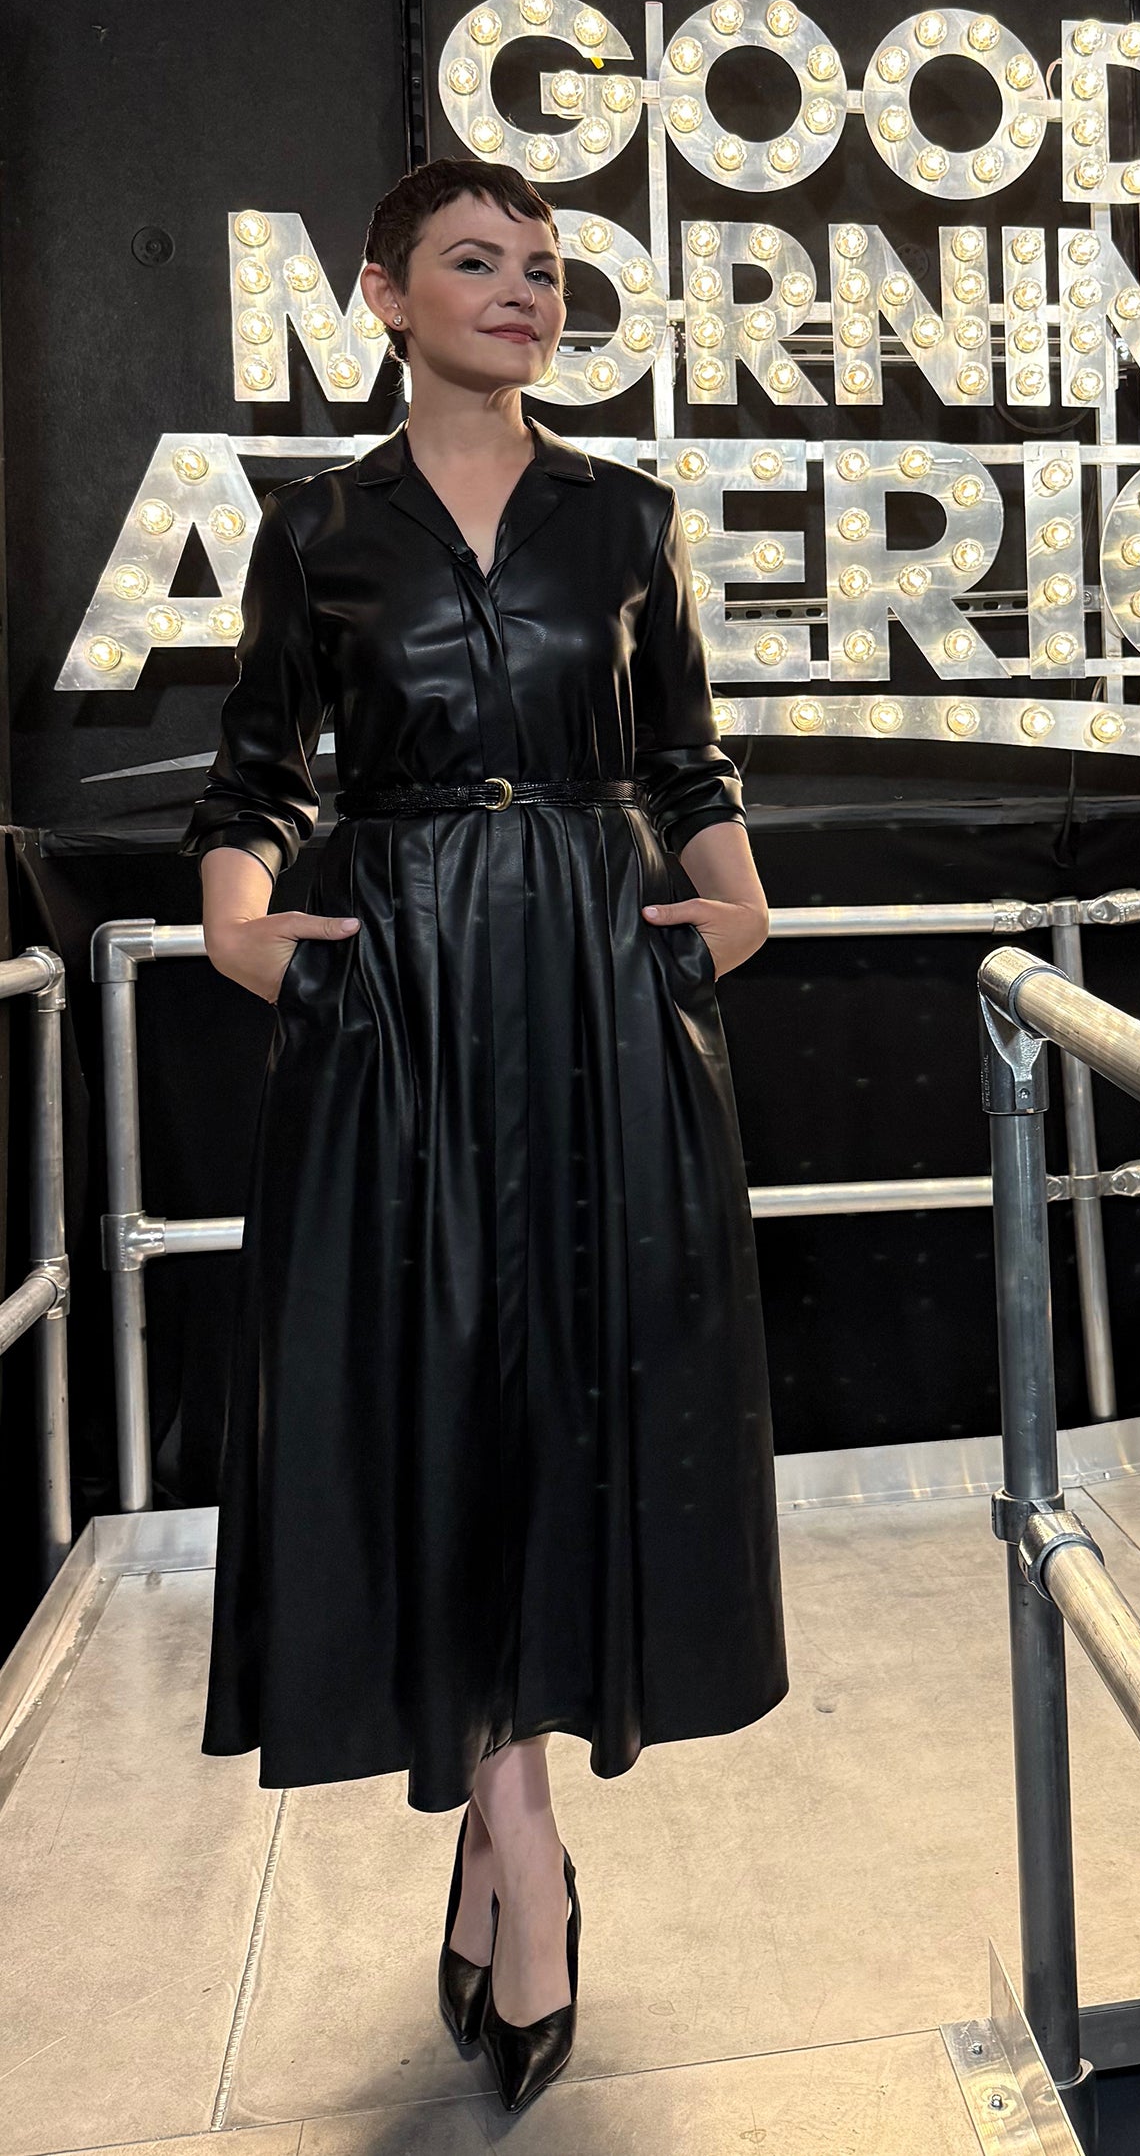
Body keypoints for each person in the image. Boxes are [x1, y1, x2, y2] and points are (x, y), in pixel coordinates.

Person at [178, 156, 790, 2114]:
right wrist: (239, 928)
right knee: (429, 1393)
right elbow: (256, 776)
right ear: (383, 295)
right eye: (476, 262)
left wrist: (733, 903)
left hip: (600, 991)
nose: (524, 292)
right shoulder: (318, 530)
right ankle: (521, 1842)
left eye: (543, 268)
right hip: (405, 995)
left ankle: (501, 1835)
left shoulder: (625, 517)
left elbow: (686, 754)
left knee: (574, 1394)